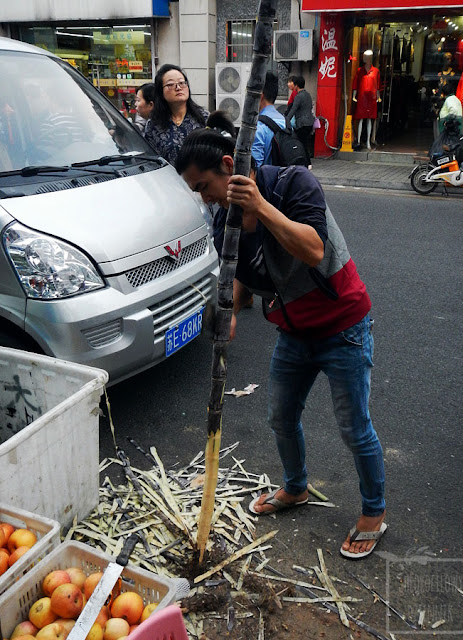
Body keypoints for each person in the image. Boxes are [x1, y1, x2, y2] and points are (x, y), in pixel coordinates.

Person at [176, 112, 387, 560]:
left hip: (342, 326)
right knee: (281, 417)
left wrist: (261, 208)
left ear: (229, 167)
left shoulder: (294, 184)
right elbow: (236, 271)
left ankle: (374, 511)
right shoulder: (224, 222)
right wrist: (227, 307)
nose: (206, 200)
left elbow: (313, 249)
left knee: (354, 428)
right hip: (293, 333)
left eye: (203, 187)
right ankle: (295, 488)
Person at [144, 64, 208, 167]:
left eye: (182, 83)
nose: (178, 88)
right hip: (168, 181)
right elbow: (150, 161)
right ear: (161, 92)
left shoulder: (204, 118)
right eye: (170, 84)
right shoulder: (154, 125)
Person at [252, 71, 286, 167]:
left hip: (267, 181)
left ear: (260, 96)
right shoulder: (286, 122)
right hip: (286, 179)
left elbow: (254, 169)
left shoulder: (258, 127)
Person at [352, 50, 381, 150]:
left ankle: (368, 141)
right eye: (365, 57)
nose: (367, 59)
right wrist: (354, 95)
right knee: (361, 119)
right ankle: (359, 141)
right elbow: (356, 83)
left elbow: (377, 85)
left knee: (369, 119)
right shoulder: (360, 71)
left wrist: (378, 96)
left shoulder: (376, 71)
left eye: (368, 57)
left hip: (371, 98)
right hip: (362, 98)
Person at [285, 75, 314, 166]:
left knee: (302, 144)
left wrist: (286, 120)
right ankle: (305, 162)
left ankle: (307, 163)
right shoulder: (308, 95)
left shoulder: (298, 96)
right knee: (304, 142)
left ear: (296, 85)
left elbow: (293, 110)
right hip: (310, 123)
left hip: (302, 124)